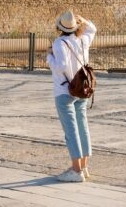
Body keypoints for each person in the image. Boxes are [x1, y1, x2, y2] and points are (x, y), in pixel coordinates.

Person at [46, 10, 96, 183]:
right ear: (75, 26)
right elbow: (93, 29)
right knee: (83, 127)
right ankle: (83, 166)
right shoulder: (82, 40)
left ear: (60, 27)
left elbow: (61, 66)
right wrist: (83, 20)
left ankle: (75, 170)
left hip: (64, 91)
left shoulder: (60, 43)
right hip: (82, 89)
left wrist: (48, 57)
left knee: (71, 131)